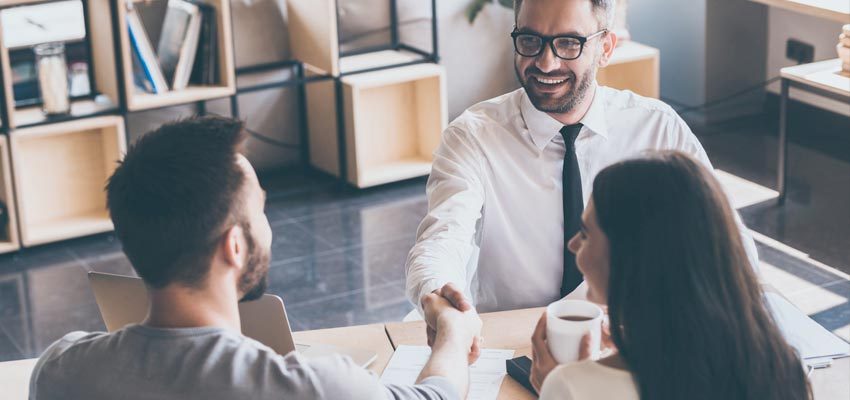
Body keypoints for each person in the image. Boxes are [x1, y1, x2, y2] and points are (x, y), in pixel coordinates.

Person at [28, 116, 482, 400]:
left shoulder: (60, 371)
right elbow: (438, 396)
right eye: (260, 209)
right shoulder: (317, 387)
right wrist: (453, 334)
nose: (268, 225)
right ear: (235, 246)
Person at [405, 0, 758, 316]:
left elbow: (727, 242)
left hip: (628, 334)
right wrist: (437, 293)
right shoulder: (471, 136)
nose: (546, 62)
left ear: (605, 48)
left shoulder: (658, 128)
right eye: (530, 40)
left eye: (568, 43)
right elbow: (443, 236)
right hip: (511, 335)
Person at [528, 151, 811, 400]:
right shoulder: (784, 368)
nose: (573, 244)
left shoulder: (572, 386)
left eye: (587, 234)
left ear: (632, 259)